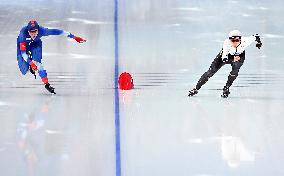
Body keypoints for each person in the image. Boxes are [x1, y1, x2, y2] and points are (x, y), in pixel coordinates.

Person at [17, 20, 86, 94]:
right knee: (24, 70)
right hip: (23, 46)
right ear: (28, 31)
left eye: (35, 31)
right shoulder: (23, 34)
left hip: (35, 44)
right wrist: (30, 63)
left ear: (38, 30)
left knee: (38, 64)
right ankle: (30, 64)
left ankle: (47, 84)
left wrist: (74, 37)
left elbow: (57, 32)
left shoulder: (42, 31)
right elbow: (23, 53)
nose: (33, 34)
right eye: (31, 32)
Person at [188, 30, 262, 98]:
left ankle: (226, 87)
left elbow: (256, 36)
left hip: (239, 56)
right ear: (229, 40)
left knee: (235, 70)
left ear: (241, 39)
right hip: (226, 56)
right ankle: (196, 88)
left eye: (237, 40)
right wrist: (233, 59)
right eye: (232, 40)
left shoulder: (246, 40)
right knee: (210, 72)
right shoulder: (226, 43)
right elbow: (224, 58)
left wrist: (259, 43)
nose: (235, 42)